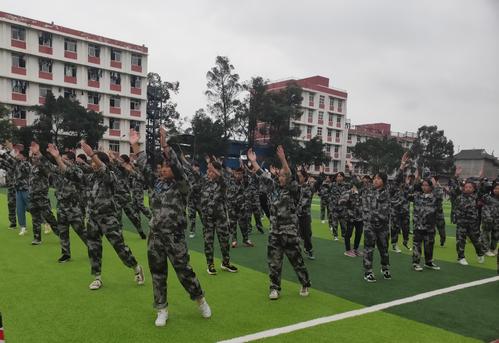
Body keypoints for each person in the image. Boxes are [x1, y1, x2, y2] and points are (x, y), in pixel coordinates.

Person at [130, 128, 211, 326]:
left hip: (174, 237)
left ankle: (200, 299)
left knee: (184, 271)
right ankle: (162, 309)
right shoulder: (156, 184)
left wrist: (165, 145)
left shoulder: (182, 185)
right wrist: (135, 145)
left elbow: (178, 167)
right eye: (162, 167)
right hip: (155, 236)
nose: (163, 169)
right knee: (158, 274)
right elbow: (143, 167)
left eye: (166, 167)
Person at [79, 140, 144, 290]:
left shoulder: (111, 176)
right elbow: (71, 173)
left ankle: (136, 268)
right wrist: (57, 158)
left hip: (108, 218)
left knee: (120, 248)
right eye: (92, 162)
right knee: (93, 248)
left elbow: (104, 170)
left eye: (95, 162)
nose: (92, 164)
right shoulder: (91, 177)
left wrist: (92, 154)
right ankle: (97, 277)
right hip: (93, 218)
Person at [248, 146, 311, 300]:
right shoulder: (272, 187)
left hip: (290, 232)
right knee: (274, 263)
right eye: (280, 176)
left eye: (284, 176)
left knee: (297, 261)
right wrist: (254, 162)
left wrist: (283, 159)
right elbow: (261, 174)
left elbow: (289, 174)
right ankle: (274, 288)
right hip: (275, 232)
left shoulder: (293, 189)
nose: (282, 178)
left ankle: (304, 284)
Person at [45, 144, 88, 262]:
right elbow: (47, 165)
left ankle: (93, 248)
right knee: (63, 232)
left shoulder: (77, 170)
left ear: (72, 161)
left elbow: (72, 171)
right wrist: (39, 154)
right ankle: (66, 253)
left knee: (81, 231)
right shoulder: (58, 170)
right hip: (61, 206)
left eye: (64, 159)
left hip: (74, 207)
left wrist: (61, 159)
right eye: (60, 158)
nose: (60, 160)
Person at [361, 167, 392, 283]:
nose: (375, 180)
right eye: (374, 178)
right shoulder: (367, 190)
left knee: (384, 249)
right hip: (370, 225)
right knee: (368, 249)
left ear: (383, 181)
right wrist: (349, 169)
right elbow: (355, 183)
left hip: (383, 226)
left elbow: (398, 180)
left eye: (378, 179)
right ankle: (368, 271)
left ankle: (385, 268)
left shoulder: (388, 192)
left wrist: (402, 166)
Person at [451, 166, 485, 265]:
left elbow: (481, 187)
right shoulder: (459, 195)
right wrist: (456, 175)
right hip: (461, 222)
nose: (468, 189)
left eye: (470, 187)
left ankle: (480, 253)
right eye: (466, 187)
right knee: (460, 240)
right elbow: (454, 186)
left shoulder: (476, 196)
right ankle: (461, 257)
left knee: (476, 241)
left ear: (474, 189)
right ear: (463, 188)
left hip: (473, 223)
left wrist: (480, 178)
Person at [26, 142, 59, 245]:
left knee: (48, 216)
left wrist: (39, 153)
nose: (33, 158)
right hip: (32, 196)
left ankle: (60, 233)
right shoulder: (32, 167)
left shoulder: (41, 166)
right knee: (35, 218)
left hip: (41, 197)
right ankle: (37, 238)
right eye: (32, 156)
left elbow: (48, 167)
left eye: (35, 156)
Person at [296, 166, 323, 260]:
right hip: (296, 215)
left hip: (305, 215)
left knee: (307, 235)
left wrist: (321, 173)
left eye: (300, 176)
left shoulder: (310, 187)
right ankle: (296, 252)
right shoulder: (295, 187)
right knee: (296, 235)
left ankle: (309, 250)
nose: (298, 178)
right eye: (297, 176)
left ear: (304, 177)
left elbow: (319, 182)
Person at [480, 180, 498, 257]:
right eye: (496, 188)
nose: (497, 190)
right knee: (486, 234)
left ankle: (492, 249)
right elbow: (481, 193)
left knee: (496, 235)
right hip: (488, 219)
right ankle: (485, 250)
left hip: (497, 220)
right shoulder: (487, 197)